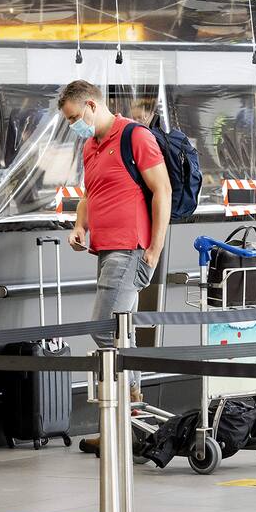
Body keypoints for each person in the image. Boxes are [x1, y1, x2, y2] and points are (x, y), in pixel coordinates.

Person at [57, 80, 172, 455]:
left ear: (91, 105)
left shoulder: (135, 136)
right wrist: (79, 225)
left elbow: (162, 191)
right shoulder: (90, 145)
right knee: (122, 334)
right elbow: (91, 193)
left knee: (105, 330)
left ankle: (127, 413)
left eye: (75, 117)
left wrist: (154, 249)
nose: (73, 125)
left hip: (130, 249)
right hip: (106, 250)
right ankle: (124, 425)